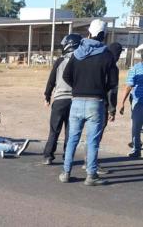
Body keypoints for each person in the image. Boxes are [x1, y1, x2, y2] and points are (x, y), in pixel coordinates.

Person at [59, 19, 117, 186]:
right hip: (96, 103)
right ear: (103, 35)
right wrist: (109, 104)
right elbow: (112, 84)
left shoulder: (77, 53)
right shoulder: (107, 55)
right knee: (92, 141)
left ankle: (66, 172)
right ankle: (91, 175)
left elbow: (66, 76)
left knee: (72, 139)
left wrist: (78, 87)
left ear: (89, 33)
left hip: (76, 101)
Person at [82, 42, 123, 174]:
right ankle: (91, 164)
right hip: (102, 105)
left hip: (88, 100)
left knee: (90, 134)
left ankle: (86, 161)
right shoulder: (112, 67)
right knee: (96, 136)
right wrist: (112, 109)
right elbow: (112, 91)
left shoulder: (97, 62)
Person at [42, 33, 82, 165]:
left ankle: (48, 156)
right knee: (70, 131)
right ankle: (67, 157)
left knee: (54, 129)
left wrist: (47, 95)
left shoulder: (60, 61)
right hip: (75, 101)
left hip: (59, 100)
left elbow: (51, 80)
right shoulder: (81, 61)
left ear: (70, 45)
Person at [119, 45, 143, 158]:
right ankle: (136, 149)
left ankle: (136, 149)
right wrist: (122, 102)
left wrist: (122, 103)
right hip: (138, 103)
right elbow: (129, 86)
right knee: (136, 127)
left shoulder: (135, 68)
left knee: (136, 127)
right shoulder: (135, 68)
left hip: (138, 103)